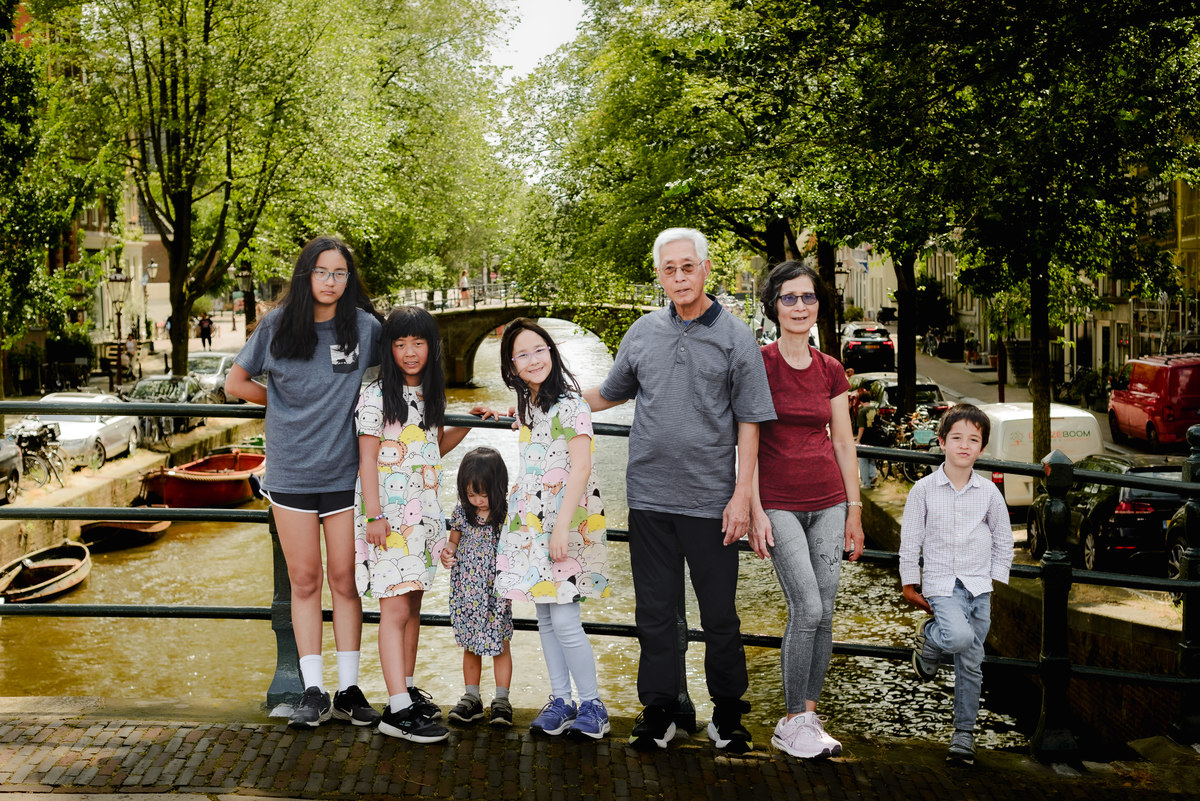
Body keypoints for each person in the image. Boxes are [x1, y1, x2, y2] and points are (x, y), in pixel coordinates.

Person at [582, 227, 776, 753]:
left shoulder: (736, 337)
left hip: (711, 502)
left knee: (720, 615)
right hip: (648, 497)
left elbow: (751, 422)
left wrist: (742, 496)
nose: (679, 277)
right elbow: (607, 394)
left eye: (688, 266)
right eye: (669, 269)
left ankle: (728, 714)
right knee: (655, 613)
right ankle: (660, 711)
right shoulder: (643, 331)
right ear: (659, 275)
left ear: (705, 269)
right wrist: (538, 397)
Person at [225, 235, 382, 729]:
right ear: (306, 275)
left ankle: (349, 689)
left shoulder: (365, 328)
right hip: (291, 474)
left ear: (349, 279)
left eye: (340, 273)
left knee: (345, 581)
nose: (331, 282)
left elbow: (402, 373)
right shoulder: (276, 326)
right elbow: (235, 383)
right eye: (322, 272)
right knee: (305, 580)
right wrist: (282, 404)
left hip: (344, 473)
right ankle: (313, 690)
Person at [748, 261, 865, 759]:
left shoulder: (830, 369)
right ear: (774, 306)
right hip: (778, 502)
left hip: (830, 501)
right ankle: (791, 721)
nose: (800, 306)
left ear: (819, 305)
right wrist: (753, 509)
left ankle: (809, 719)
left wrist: (855, 509)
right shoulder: (758, 364)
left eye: (808, 297)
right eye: (789, 298)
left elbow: (843, 442)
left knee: (827, 610)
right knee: (808, 607)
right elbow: (746, 444)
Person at [356, 306, 480, 742]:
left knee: (412, 607)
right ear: (389, 349)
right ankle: (396, 711)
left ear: (432, 347)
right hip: (388, 518)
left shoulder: (430, 394)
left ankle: (406, 691)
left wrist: (469, 424)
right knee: (393, 609)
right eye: (400, 343)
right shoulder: (375, 396)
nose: (410, 352)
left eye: (418, 342)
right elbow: (367, 460)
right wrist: (374, 516)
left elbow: (430, 450)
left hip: (424, 517)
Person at [499, 317, 611, 740]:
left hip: (565, 524)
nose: (533, 359)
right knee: (546, 618)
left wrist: (561, 528)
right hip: (533, 524)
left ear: (552, 352)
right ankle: (562, 700)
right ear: (512, 366)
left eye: (539, 350)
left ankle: (593, 704)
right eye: (522, 354)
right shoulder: (531, 407)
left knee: (565, 620)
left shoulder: (572, 405)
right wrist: (507, 414)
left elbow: (580, 468)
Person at [898, 403, 1013, 766]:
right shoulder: (923, 490)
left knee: (972, 663)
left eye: (973, 440)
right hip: (942, 584)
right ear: (942, 441)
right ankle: (932, 637)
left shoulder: (989, 493)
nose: (965, 445)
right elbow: (910, 539)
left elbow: (1004, 539)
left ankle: (963, 735)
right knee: (960, 639)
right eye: (957, 438)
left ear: (982, 447)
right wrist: (909, 583)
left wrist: (994, 577)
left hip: (979, 586)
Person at [440, 446, 514, 728]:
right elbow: (453, 540)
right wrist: (448, 551)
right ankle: (471, 697)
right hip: (467, 591)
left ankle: (502, 700)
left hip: (496, 592)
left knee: (500, 645)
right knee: (470, 645)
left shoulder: (505, 515)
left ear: (498, 488)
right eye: (471, 494)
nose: (478, 501)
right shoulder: (462, 512)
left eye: (483, 495)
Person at [854, 388, 880, 489]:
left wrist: (858, 440)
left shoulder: (862, 411)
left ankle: (866, 483)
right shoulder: (875, 409)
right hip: (874, 437)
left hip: (865, 438)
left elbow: (861, 427)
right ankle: (873, 474)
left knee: (863, 461)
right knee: (871, 458)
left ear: (860, 401)